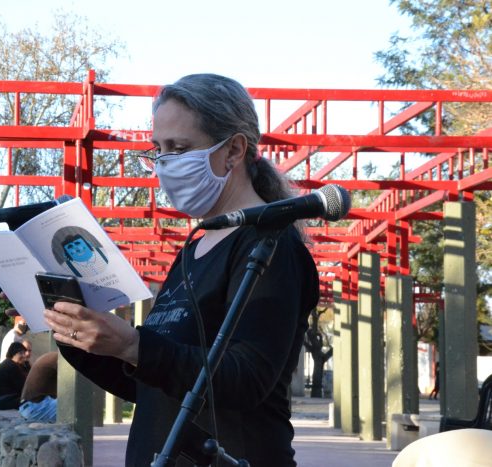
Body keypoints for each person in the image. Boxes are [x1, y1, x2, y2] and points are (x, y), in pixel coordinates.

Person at [43, 73, 319, 466]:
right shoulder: (194, 248)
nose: (164, 163)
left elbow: (246, 376)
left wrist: (133, 345)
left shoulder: (271, 246)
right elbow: (158, 384)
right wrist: (78, 334)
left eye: (179, 147)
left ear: (234, 151)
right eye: (158, 149)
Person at [18, 351, 58, 423]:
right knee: (75, 408)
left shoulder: (52, 356)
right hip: (34, 407)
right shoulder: (61, 360)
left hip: (27, 407)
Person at [0, 341, 30, 410]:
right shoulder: (11, 366)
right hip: (4, 401)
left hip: (2, 400)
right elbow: (22, 387)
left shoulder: (10, 363)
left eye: (24, 353)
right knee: (32, 402)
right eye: (21, 353)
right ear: (13, 354)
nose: (24, 356)